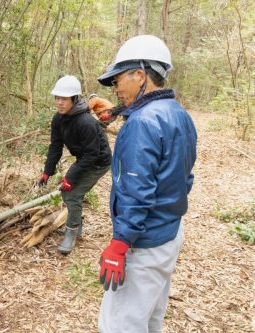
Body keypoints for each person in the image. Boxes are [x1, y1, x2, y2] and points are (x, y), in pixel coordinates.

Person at [96, 35, 197, 333]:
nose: (116, 89)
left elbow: (136, 191)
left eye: (117, 81)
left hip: (144, 244)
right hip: (168, 235)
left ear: (140, 74)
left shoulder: (142, 122)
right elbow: (184, 177)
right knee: (150, 319)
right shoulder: (180, 115)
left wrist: (120, 243)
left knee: (120, 326)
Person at [38, 75, 112, 255]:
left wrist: (70, 177)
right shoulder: (58, 119)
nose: (60, 102)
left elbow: (92, 154)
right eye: (57, 98)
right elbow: (55, 146)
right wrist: (47, 171)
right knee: (70, 194)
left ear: (74, 98)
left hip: (99, 162)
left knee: (72, 194)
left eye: (64, 99)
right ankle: (76, 226)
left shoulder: (85, 122)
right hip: (85, 158)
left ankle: (71, 233)